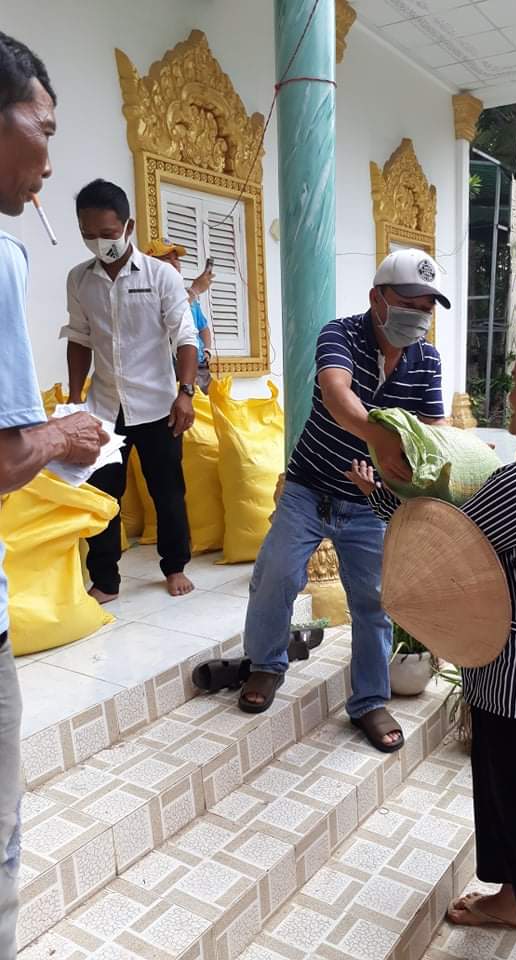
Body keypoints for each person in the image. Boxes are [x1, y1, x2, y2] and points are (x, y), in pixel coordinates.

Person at [349, 333, 516, 960]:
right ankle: (512, 900)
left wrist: (385, 493)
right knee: (504, 801)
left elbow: (447, 545)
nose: (509, 399)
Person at [238, 248, 449, 752]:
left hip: (371, 502)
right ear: (378, 298)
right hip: (309, 488)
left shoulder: (427, 359)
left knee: (374, 602)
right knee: (276, 575)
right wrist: (382, 441)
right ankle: (266, 664)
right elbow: (336, 395)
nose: (419, 316)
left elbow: (436, 425)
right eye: (409, 303)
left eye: (427, 307)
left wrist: (433, 462)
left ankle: (370, 701)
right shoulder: (341, 333)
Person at [0, 33, 107, 959]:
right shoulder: (13, 259)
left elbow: (186, 338)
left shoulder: (160, 278)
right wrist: (62, 431)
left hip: (147, 409)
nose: (48, 157)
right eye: (44, 128)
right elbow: (4, 458)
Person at [61, 180, 199, 601]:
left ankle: (174, 567)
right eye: (88, 234)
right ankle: (105, 580)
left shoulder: (160, 276)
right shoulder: (79, 280)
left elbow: (185, 337)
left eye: (107, 233)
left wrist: (186, 392)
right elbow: (79, 338)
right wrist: (75, 400)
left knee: (167, 492)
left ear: (128, 227)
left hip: (159, 406)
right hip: (104, 408)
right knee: (102, 493)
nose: (98, 243)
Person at [146, 239, 215, 393]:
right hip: (174, 370)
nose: (175, 263)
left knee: (208, 407)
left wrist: (207, 351)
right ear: (150, 264)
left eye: (176, 258)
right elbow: (165, 320)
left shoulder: (184, 294)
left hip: (200, 367)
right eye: (166, 259)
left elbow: (203, 328)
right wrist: (195, 290)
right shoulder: (148, 293)